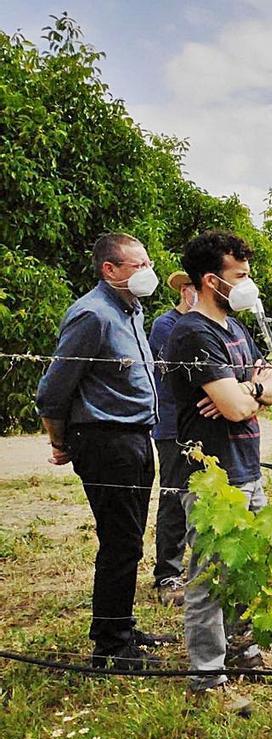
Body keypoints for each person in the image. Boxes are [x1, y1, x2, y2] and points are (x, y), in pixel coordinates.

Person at [35, 233, 168, 670]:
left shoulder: (131, 311)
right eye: (137, 265)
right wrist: (60, 441)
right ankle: (111, 647)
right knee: (120, 541)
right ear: (109, 270)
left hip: (134, 436)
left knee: (128, 538)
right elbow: (53, 390)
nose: (148, 273)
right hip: (107, 440)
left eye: (148, 263)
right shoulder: (92, 315)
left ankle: (120, 624)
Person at [166, 230, 272, 702]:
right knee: (209, 575)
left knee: (245, 567)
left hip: (247, 465)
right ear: (212, 280)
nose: (248, 283)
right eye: (240, 276)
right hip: (213, 473)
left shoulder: (234, 329)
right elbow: (237, 405)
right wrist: (248, 393)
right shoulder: (193, 333)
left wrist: (247, 390)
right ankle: (208, 676)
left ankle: (243, 649)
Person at [148, 271, 197, 607]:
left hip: (203, 426)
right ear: (185, 290)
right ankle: (168, 572)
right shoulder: (167, 325)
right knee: (174, 498)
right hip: (172, 426)